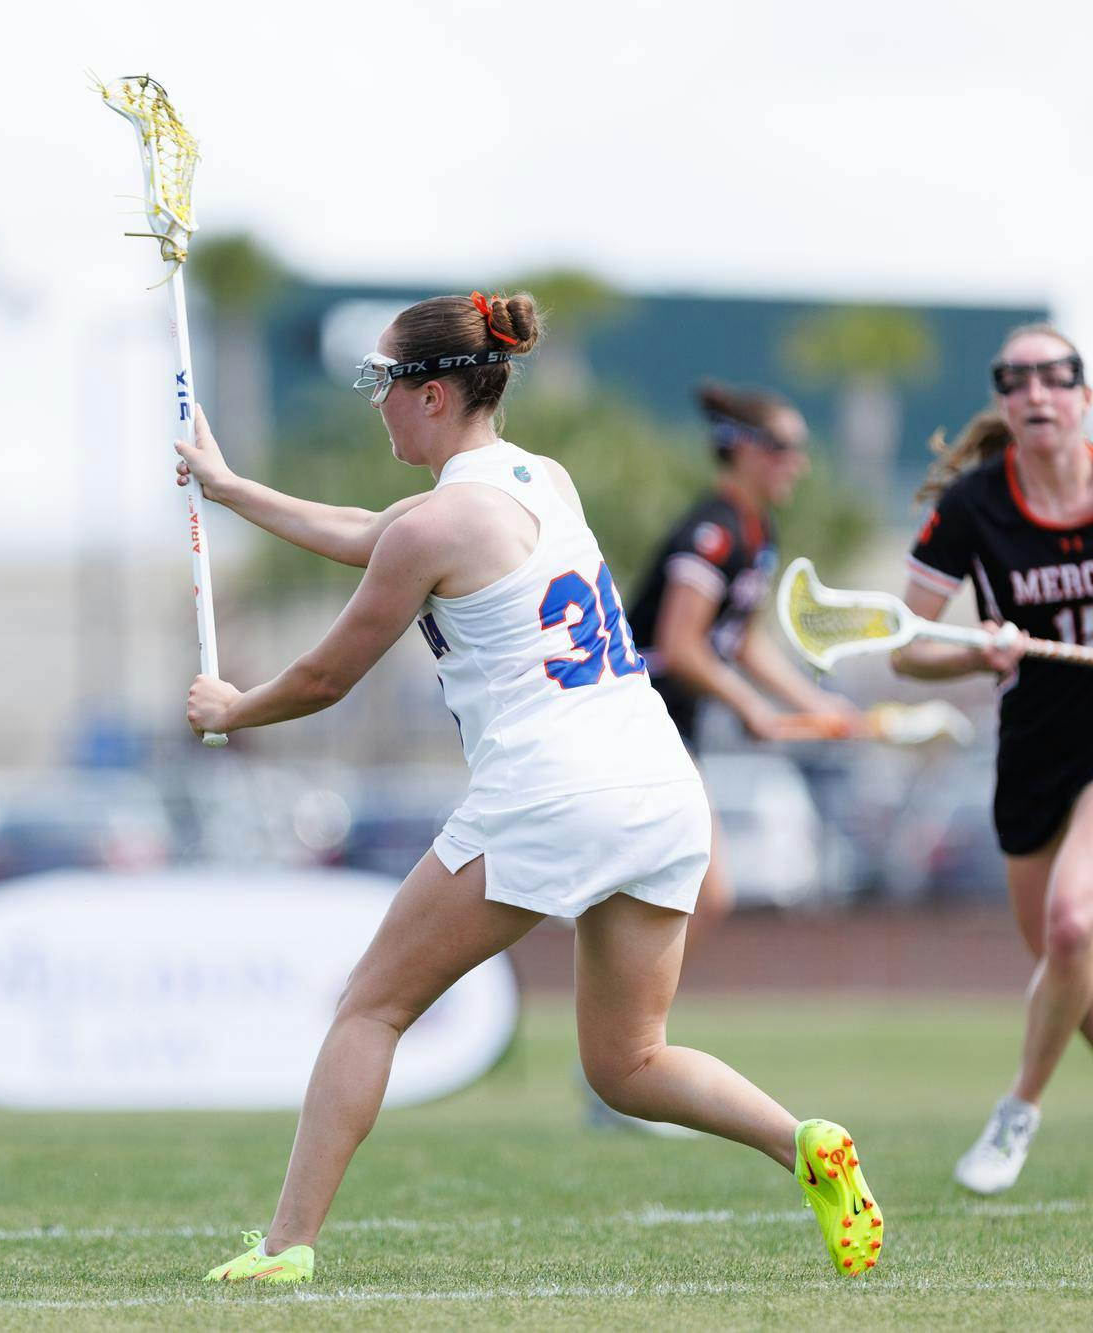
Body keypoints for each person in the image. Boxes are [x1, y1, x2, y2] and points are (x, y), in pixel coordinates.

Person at [173, 290, 882, 1284]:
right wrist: (229, 488)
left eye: (380, 381)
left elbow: (327, 676)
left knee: (368, 1009)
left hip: (553, 791)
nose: (372, 401)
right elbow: (369, 529)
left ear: (429, 395)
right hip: (656, 786)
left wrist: (230, 709)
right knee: (626, 1063)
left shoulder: (436, 527)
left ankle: (286, 1246)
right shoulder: (536, 479)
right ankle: (802, 1140)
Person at [897, 322, 1093, 1195]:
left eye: (1056, 376)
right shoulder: (976, 504)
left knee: (1074, 926)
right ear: (1005, 404)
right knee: (1073, 981)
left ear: (1083, 395)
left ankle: (1017, 1110)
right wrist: (979, 650)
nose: (1037, 392)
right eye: (1016, 381)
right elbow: (909, 646)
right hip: (1035, 752)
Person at [628, 382, 862, 928]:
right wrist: (748, 707)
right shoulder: (714, 532)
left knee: (681, 897)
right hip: (638, 722)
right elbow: (679, 646)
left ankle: (627, 1014)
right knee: (704, 894)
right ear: (745, 447)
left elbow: (744, 642)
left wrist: (817, 706)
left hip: (674, 727)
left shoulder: (758, 533)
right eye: (785, 447)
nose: (799, 464)